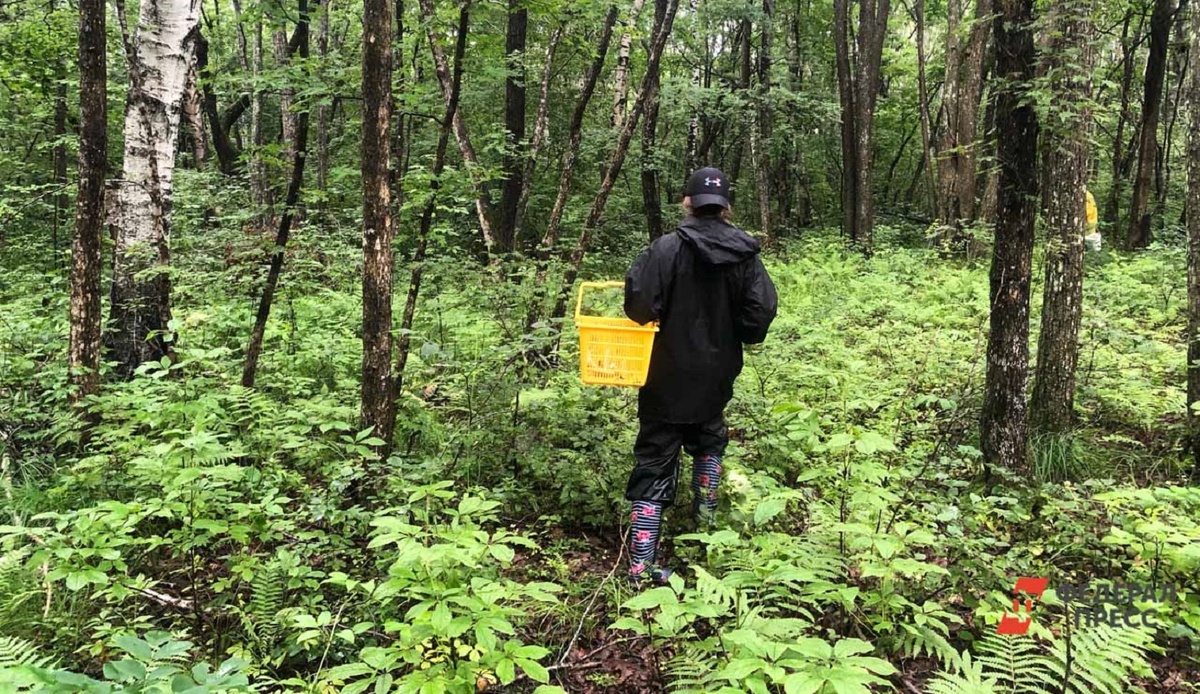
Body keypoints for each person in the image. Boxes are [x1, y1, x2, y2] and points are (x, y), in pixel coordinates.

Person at [622, 166, 778, 587]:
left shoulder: (665, 249)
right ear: (726, 206)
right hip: (716, 378)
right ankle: (707, 539)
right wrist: (737, 333)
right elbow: (759, 314)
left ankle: (640, 568)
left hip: (663, 376)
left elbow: (638, 307)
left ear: (687, 203)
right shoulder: (745, 255)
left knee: (655, 460)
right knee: (709, 443)